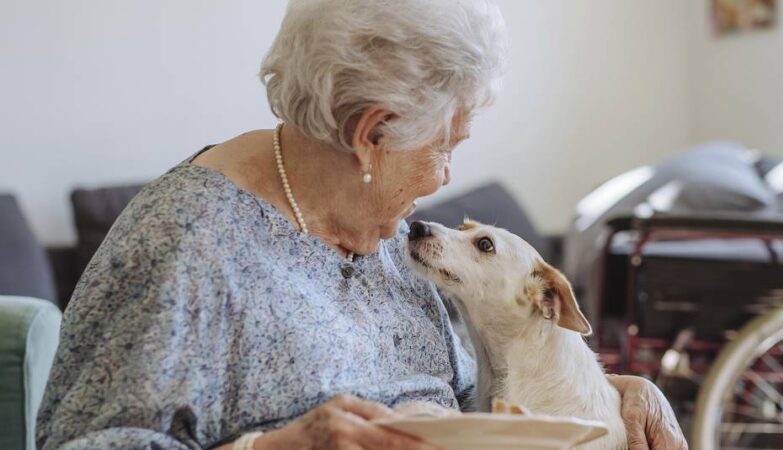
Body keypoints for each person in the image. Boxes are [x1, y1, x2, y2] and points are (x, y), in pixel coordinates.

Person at [37, 1, 687, 449]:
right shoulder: (189, 244)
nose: (442, 178)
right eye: (444, 146)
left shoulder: (386, 242)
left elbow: (466, 400)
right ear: (370, 134)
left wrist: (606, 397)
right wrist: (275, 447)